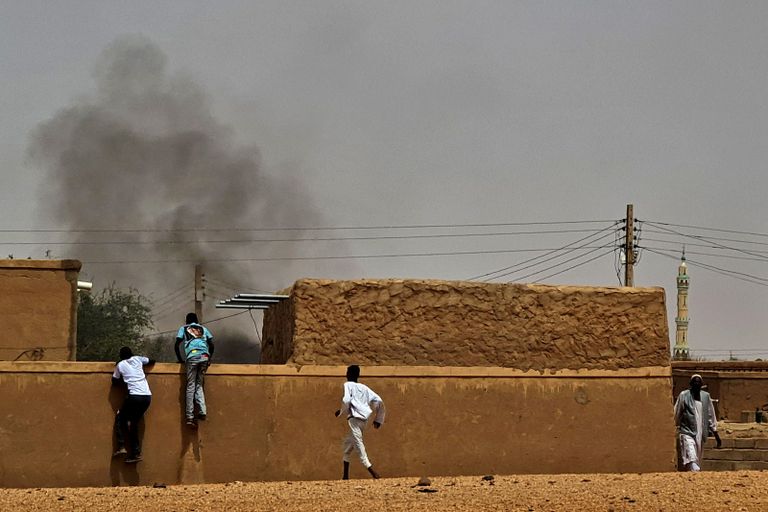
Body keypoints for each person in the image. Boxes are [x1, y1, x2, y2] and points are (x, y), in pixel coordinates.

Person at [334, 365, 385, 479]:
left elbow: (346, 400)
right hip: (364, 420)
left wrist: (342, 411)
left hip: (354, 419)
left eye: (347, 372)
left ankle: (371, 470)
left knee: (358, 443)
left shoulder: (348, 385)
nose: (346, 374)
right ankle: (345, 476)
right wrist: (378, 419)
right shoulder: (364, 387)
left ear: (349, 374)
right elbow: (378, 400)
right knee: (347, 446)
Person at [112, 346, 154, 464]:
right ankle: (135, 453)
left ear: (121, 356)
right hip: (147, 397)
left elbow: (114, 381)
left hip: (134, 396)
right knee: (133, 423)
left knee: (120, 417)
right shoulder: (138, 359)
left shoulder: (120, 365)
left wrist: (125, 380)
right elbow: (152, 361)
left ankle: (121, 446)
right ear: (131, 353)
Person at [674, 373, 722, 471]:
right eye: (695, 382)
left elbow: (711, 415)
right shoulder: (684, 395)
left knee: (697, 457)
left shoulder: (706, 396)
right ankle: (695, 470)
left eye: (698, 382)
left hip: (701, 433)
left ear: (701, 385)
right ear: (691, 384)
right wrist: (673, 426)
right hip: (687, 431)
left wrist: (716, 434)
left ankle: (693, 473)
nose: (697, 384)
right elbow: (677, 412)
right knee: (690, 453)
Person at [175, 312, 214, 428]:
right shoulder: (203, 329)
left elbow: (177, 345)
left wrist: (180, 359)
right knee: (199, 384)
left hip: (192, 357)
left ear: (187, 320)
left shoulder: (184, 328)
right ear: (197, 320)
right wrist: (209, 358)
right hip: (204, 357)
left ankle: (190, 416)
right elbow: (212, 345)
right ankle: (202, 411)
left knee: (191, 385)